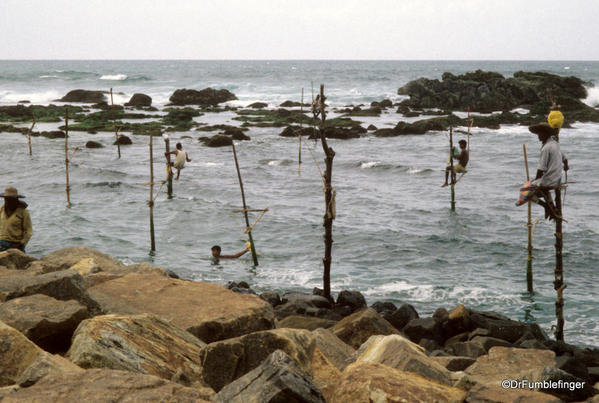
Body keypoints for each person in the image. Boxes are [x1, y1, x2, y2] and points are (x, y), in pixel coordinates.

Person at [528, 122, 569, 220]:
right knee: (543, 188)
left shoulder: (546, 148)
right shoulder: (555, 144)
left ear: (546, 134)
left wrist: (534, 182)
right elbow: (565, 159)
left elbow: (541, 169)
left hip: (549, 180)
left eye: (540, 134)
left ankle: (547, 207)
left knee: (527, 194)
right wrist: (566, 166)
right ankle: (553, 207)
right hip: (557, 179)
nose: (538, 136)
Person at [0, 187, 32, 252]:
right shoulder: (2, 209)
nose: (8, 201)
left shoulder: (23, 212)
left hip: (16, 244)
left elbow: (28, 231)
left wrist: (21, 243)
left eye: (11, 199)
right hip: (1, 243)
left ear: (16, 199)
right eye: (7, 199)